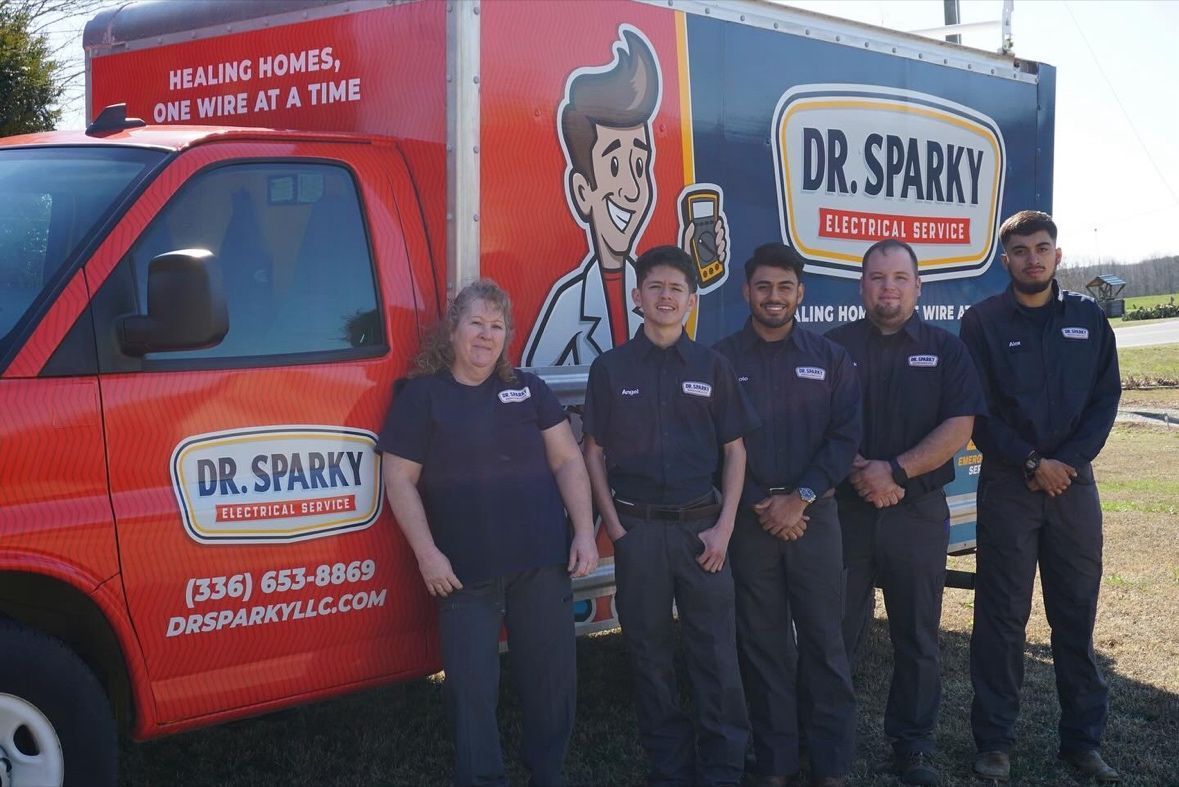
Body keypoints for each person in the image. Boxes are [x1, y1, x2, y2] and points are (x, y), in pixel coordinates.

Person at [378, 279, 598, 787]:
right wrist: (427, 555)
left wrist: (584, 533)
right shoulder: (422, 396)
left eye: (496, 326)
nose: (485, 335)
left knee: (551, 681)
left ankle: (548, 770)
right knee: (471, 690)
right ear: (453, 329)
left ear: (508, 336)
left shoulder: (528, 388)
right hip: (462, 571)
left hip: (541, 560)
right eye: (475, 322)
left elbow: (567, 460)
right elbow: (399, 480)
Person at [582, 245, 757, 786]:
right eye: (654, 287)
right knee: (649, 654)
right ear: (637, 297)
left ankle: (725, 767)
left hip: (702, 533)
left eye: (676, 289)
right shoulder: (611, 369)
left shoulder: (713, 367)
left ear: (691, 300)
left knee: (715, 655)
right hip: (639, 535)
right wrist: (615, 530)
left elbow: (736, 451)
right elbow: (592, 452)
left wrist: (724, 529)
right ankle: (671, 767)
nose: (665, 297)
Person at [960, 211, 1122, 784]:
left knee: (1074, 618)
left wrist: (1066, 464)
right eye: (1021, 250)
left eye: (1042, 248)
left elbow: (1106, 399)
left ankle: (1082, 743)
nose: (1033, 258)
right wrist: (1031, 462)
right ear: (1005, 260)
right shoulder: (980, 323)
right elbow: (976, 410)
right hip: (1010, 486)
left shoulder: (1087, 318)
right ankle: (995, 743)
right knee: (1001, 618)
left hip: (1074, 489)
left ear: (1058, 255)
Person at [827, 239, 986, 787]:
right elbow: (816, 423)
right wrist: (861, 473)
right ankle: (828, 747)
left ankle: (913, 749)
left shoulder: (946, 350)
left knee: (916, 636)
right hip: (846, 513)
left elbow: (959, 427)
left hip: (916, 513)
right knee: (835, 634)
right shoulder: (832, 348)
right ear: (862, 286)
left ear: (919, 286)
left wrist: (893, 472)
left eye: (899, 277)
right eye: (876, 277)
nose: (887, 287)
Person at [713, 243, 861, 787]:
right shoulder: (722, 361)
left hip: (814, 517)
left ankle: (830, 766)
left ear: (801, 293)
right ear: (746, 291)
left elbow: (844, 439)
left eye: (784, 287)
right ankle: (774, 764)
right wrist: (762, 500)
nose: (773, 296)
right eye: (763, 286)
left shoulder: (830, 359)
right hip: (751, 522)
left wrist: (799, 496)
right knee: (763, 644)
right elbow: (716, 443)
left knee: (825, 641)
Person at [524, 26, 726, 367]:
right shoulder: (569, 305)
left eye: (640, 164)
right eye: (614, 164)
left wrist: (696, 276)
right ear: (581, 191)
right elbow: (537, 393)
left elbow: (678, 357)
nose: (632, 190)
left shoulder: (653, 286)